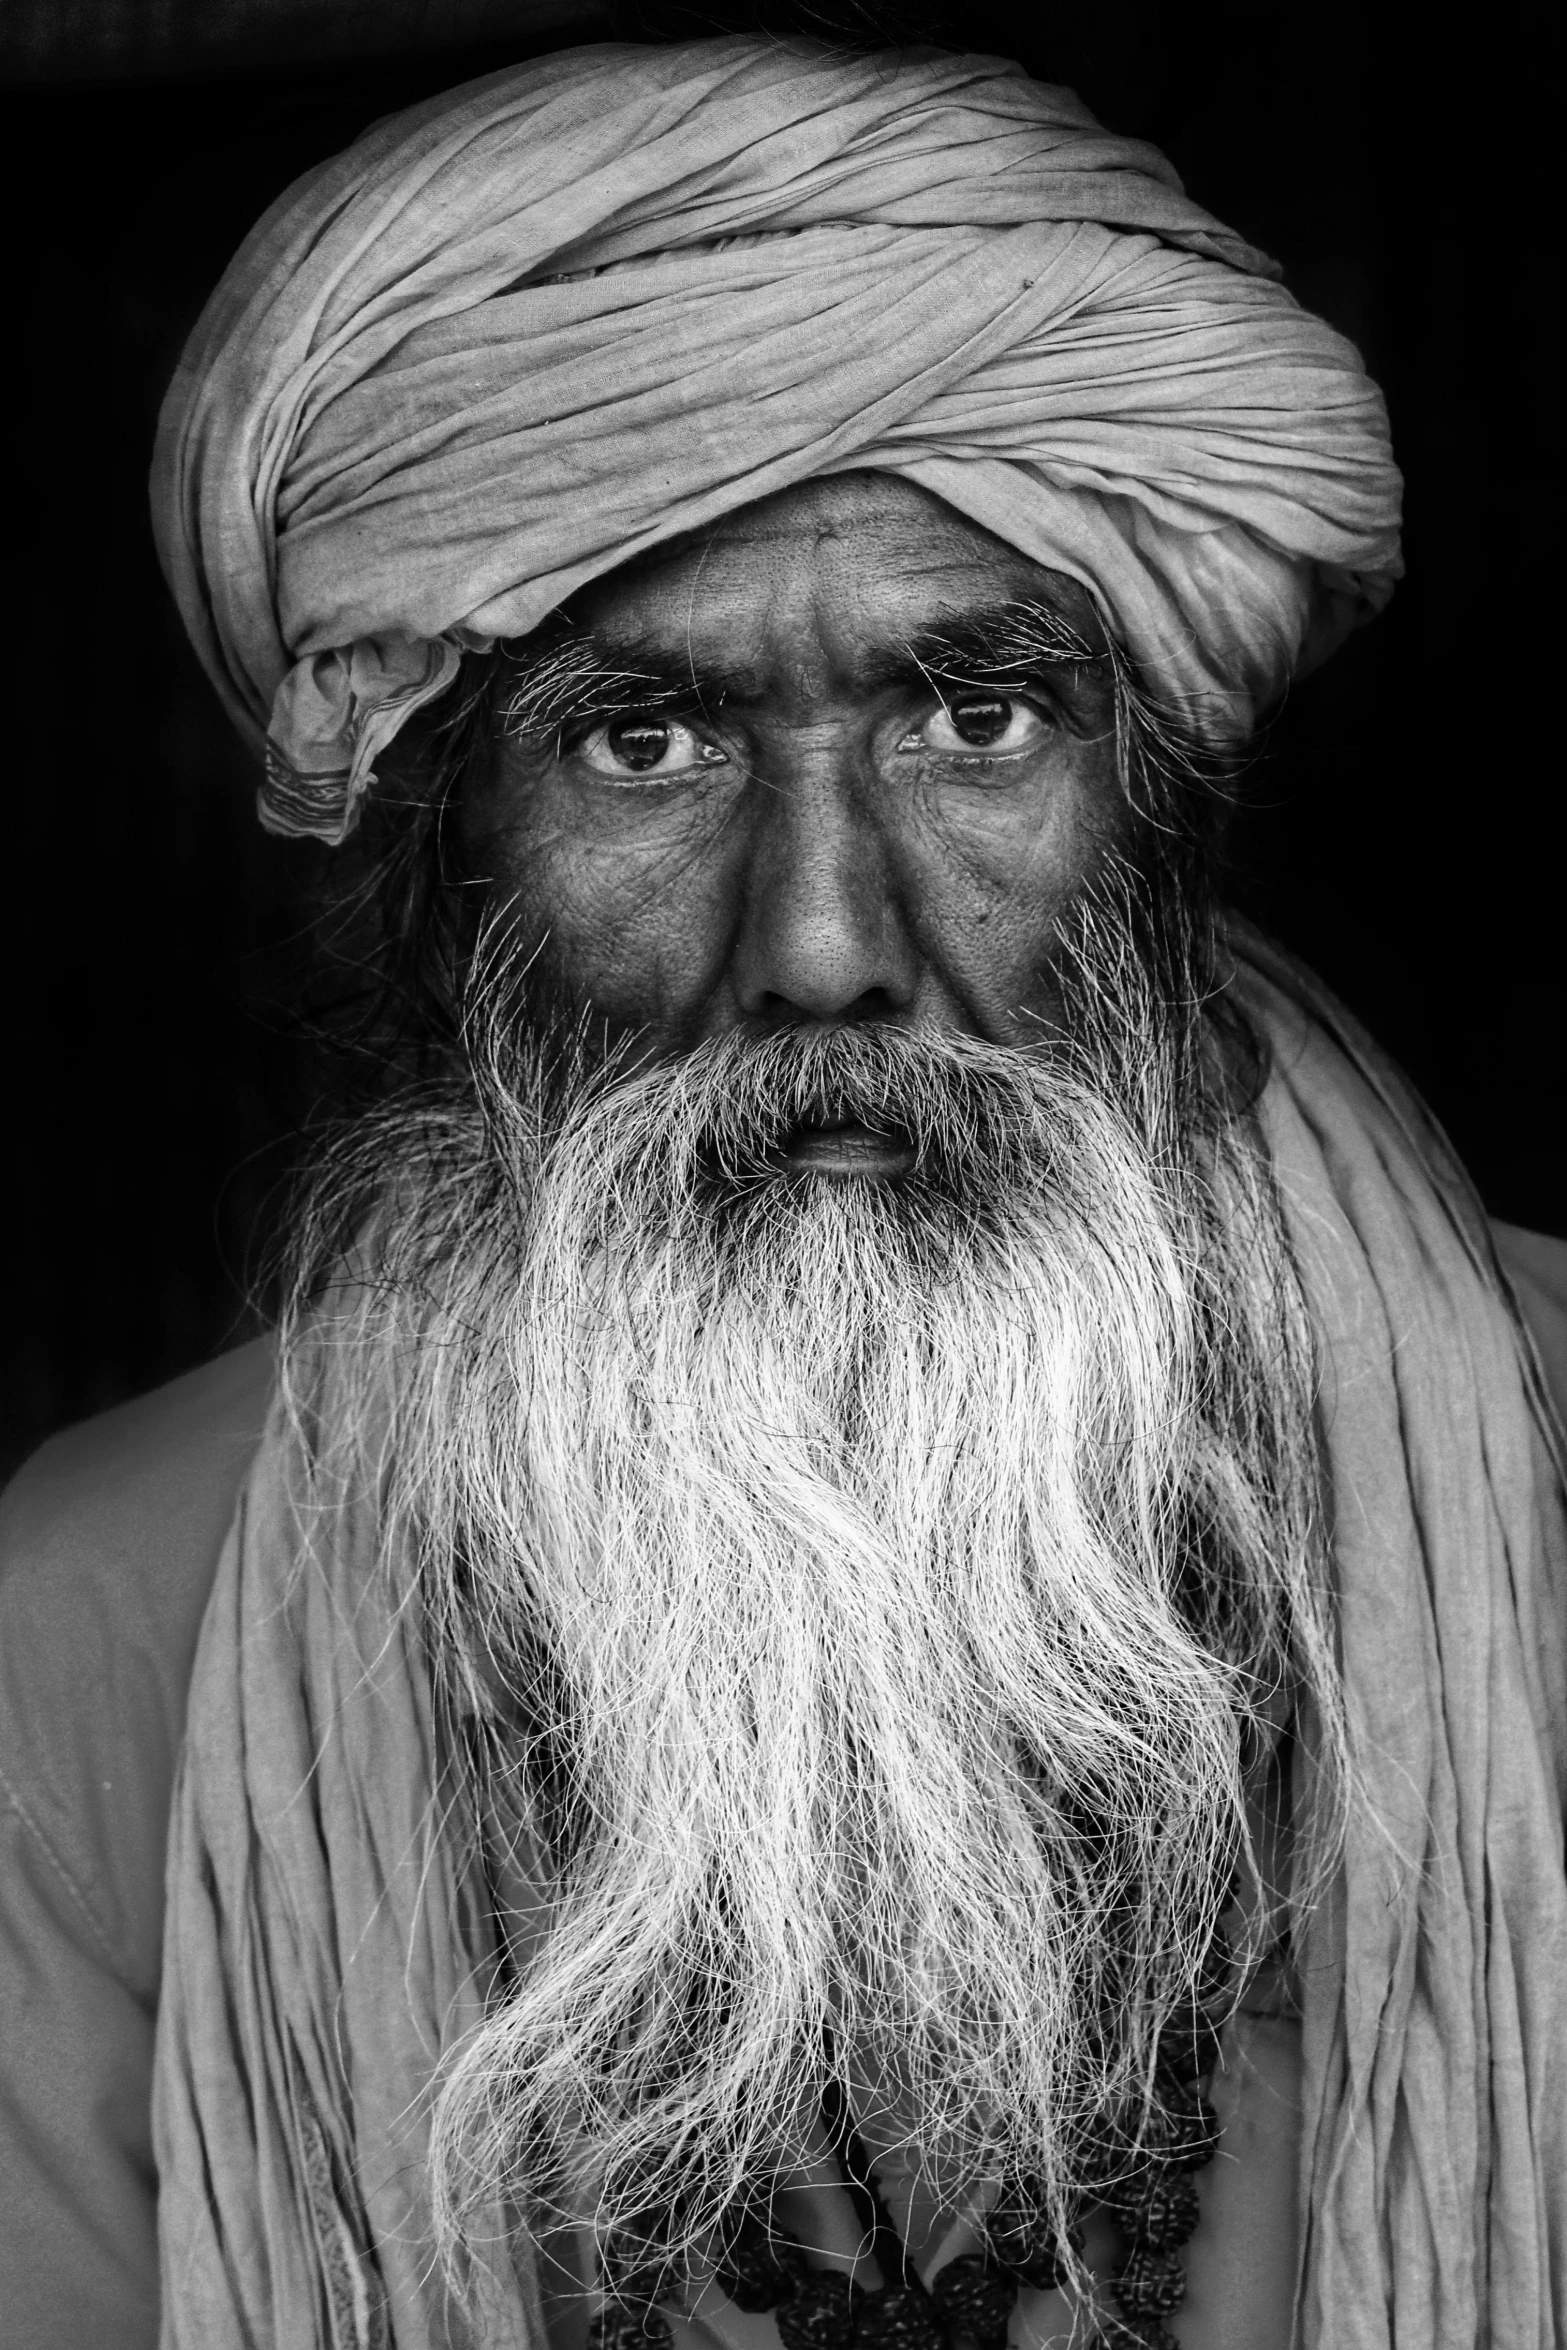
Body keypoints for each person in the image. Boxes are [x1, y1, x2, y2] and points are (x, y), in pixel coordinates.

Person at [2, 29, 1564, 2350]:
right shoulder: (109, 1617)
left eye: (976, 722)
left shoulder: (1544, 1481)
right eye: (645, 743)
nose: (821, 939)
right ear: (445, 869)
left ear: (1162, 815)